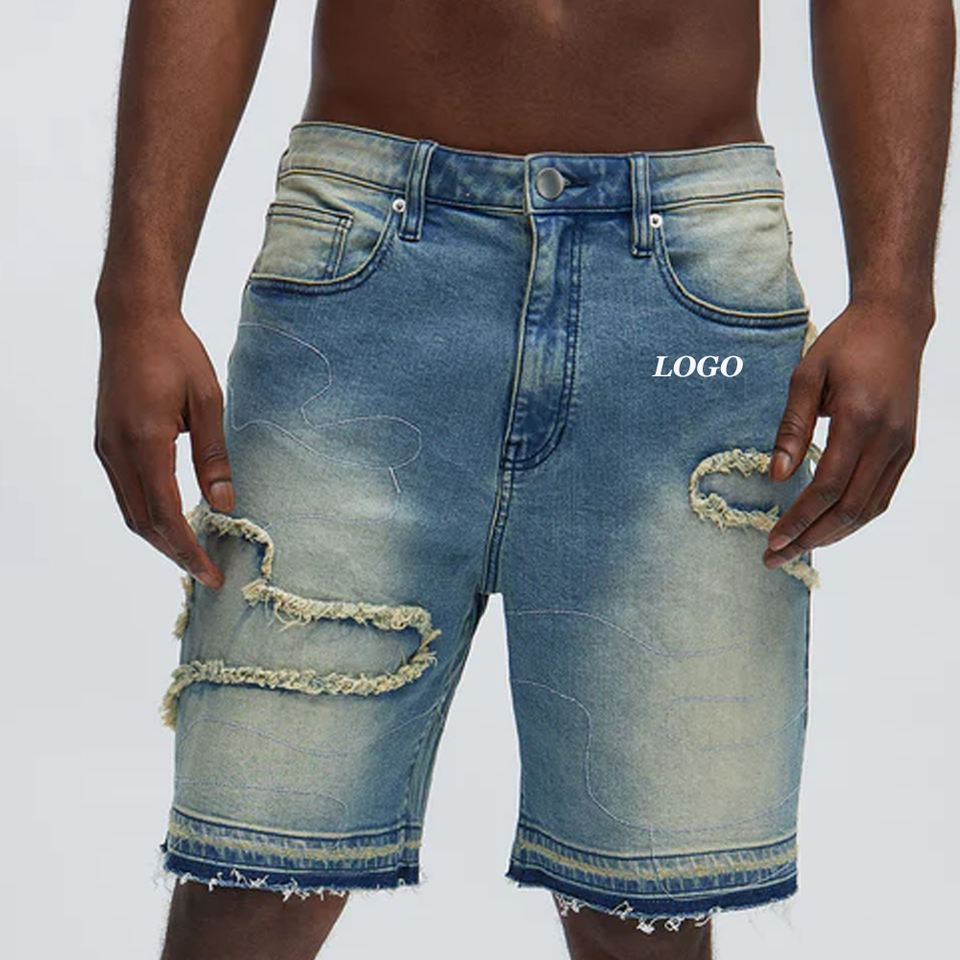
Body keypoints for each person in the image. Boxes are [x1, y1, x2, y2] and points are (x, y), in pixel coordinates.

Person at [93, 2, 955, 958]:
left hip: (685, 307)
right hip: (365, 272)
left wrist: (895, 299)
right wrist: (136, 297)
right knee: (249, 874)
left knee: (646, 905)